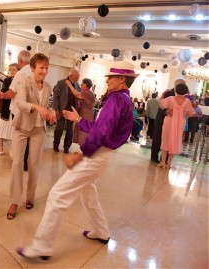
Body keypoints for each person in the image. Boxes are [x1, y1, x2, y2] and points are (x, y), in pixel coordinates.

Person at [16, 61, 139, 260]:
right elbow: (102, 128)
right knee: (88, 193)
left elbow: (101, 134)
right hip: (102, 154)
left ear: (122, 79)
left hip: (96, 154)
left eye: (111, 78)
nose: (107, 81)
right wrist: (79, 120)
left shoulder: (117, 99)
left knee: (57, 195)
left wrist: (79, 154)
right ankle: (102, 231)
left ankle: (42, 247)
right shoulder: (124, 99)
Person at [5, 53, 56, 220]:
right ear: (33, 68)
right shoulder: (23, 81)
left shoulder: (48, 86)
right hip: (22, 126)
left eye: (47, 68)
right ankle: (14, 201)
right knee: (17, 163)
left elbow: (49, 105)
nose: (45, 71)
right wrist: (36, 107)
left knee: (34, 164)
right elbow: (19, 102)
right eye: (41, 67)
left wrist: (52, 112)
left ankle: (30, 197)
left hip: (39, 128)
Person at [0, 50, 32, 171]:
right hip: (30, 108)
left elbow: (12, 92)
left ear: (20, 61)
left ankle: (18, 162)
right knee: (26, 137)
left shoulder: (20, 73)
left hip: (19, 109)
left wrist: (1, 95)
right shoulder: (32, 72)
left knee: (18, 137)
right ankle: (25, 163)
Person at [158, 83, 195, 168]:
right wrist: (182, 115)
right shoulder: (187, 101)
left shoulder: (170, 99)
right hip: (180, 122)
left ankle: (163, 162)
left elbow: (161, 103)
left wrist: (163, 94)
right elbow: (191, 113)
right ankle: (169, 164)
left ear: (176, 90)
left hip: (169, 121)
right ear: (185, 91)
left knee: (165, 140)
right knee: (175, 140)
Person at [150, 78, 185, 163]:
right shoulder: (169, 93)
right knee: (158, 137)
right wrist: (167, 111)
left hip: (172, 120)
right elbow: (162, 105)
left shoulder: (181, 96)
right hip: (162, 118)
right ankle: (154, 157)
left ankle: (164, 159)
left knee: (168, 139)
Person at [53, 69, 80, 153]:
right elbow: (55, 96)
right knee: (59, 128)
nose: (78, 78)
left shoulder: (77, 85)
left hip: (71, 111)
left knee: (70, 130)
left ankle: (66, 147)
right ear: (71, 75)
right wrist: (56, 109)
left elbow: (77, 96)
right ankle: (56, 145)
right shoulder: (61, 83)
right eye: (76, 77)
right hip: (61, 109)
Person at [0, 63, 19, 156]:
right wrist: (0, 92)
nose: (12, 71)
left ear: (18, 71)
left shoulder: (20, 80)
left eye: (14, 69)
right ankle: (0, 146)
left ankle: (13, 149)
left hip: (16, 106)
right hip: (6, 106)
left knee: (14, 129)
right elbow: (4, 90)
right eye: (10, 69)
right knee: (3, 126)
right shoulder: (7, 79)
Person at [65, 78, 95, 145]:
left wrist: (70, 85)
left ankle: (84, 149)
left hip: (86, 114)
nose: (81, 84)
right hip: (84, 113)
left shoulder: (87, 92)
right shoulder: (87, 92)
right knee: (81, 131)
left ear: (86, 85)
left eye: (82, 83)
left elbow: (77, 94)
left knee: (84, 131)